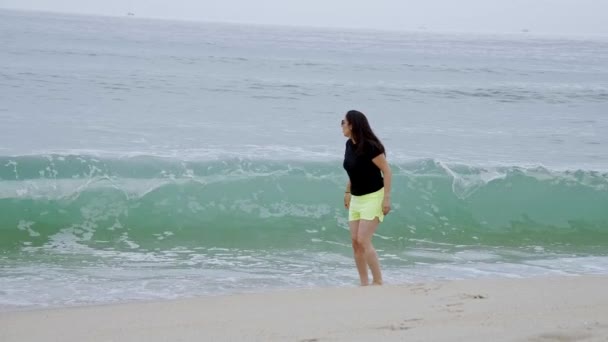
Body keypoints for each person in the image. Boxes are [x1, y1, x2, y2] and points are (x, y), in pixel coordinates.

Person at [341, 110, 392, 286]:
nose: (341, 126)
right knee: (355, 242)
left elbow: (386, 171)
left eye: (343, 122)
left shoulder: (371, 147)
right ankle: (364, 283)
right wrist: (347, 192)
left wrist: (386, 198)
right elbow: (354, 171)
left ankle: (378, 280)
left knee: (363, 239)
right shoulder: (349, 145)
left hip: (373, 197)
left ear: (352, 125)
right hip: (356, 198)